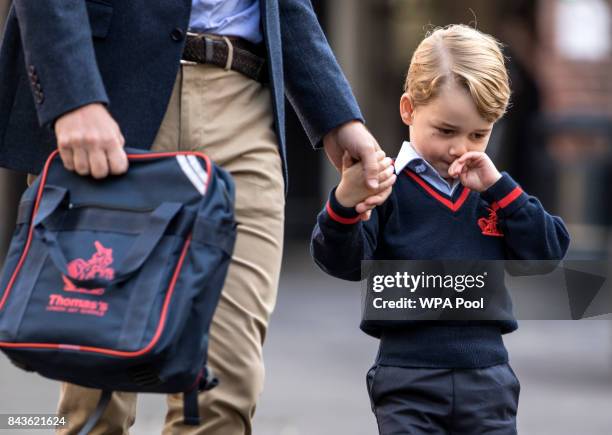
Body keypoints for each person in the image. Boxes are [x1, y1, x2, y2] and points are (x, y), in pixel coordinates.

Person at [0, 1, 394, 434]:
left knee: (226, 393)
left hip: (243, 103)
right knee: (95, 403)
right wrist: (73, 97)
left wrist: (336, 115)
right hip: (111, 96)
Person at [310, 24, 570, 434]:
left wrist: (502, 189)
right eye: (446, 131)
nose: (461, 148)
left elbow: (548, 254)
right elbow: (341, 262)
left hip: (488, 378)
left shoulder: (494, 191)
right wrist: (345, 203)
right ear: (409, 110)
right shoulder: (387, 187)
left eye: (479, 134)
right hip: (406, 377)